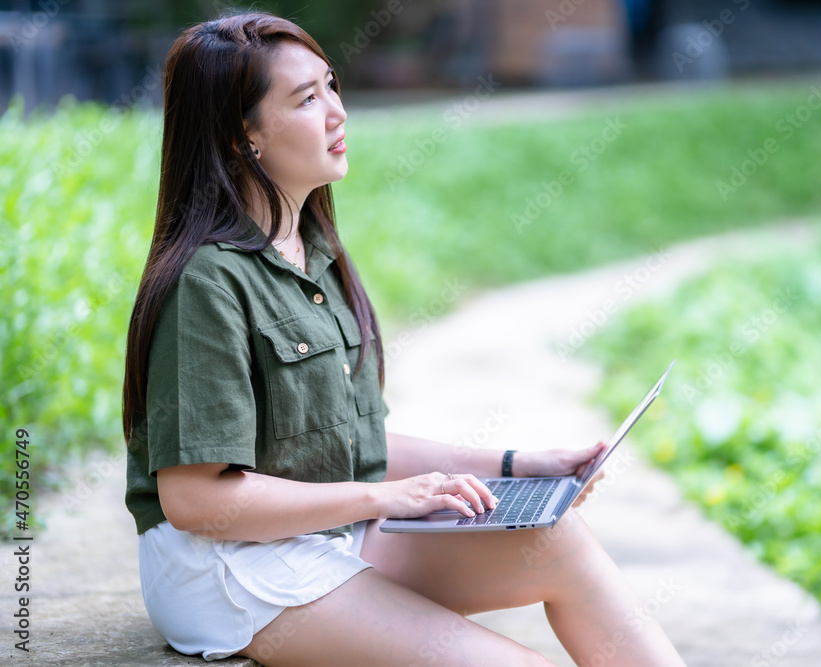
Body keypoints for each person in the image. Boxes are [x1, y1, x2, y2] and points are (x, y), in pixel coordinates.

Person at [122, 11, 687, 667]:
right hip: (231, 570)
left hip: (326, 534)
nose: (337, 113)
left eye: (332, 86)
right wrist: (385, 499)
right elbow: (194, 499)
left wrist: (516, 465)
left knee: (560, 539)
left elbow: (346, 442)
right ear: (243, 135)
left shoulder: (311, 252)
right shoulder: (208, 284)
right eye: (307, 100)